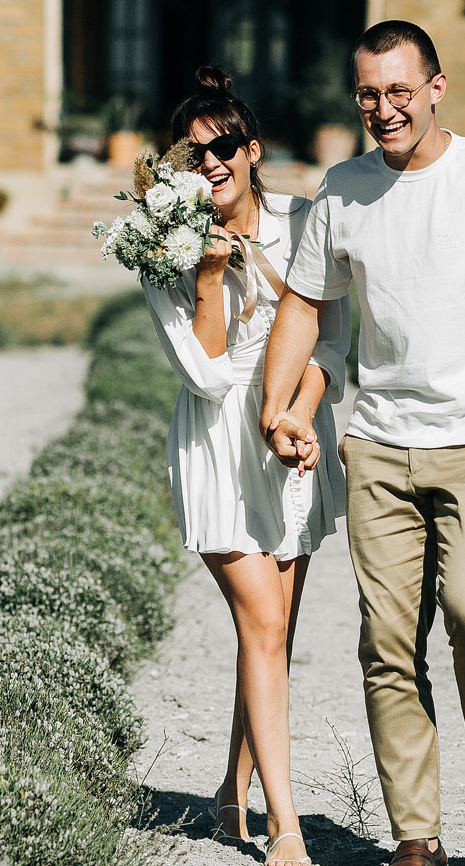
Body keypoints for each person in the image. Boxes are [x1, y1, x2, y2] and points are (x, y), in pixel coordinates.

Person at [261, 21, 465, 866]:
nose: (384, 108)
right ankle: (414, 834)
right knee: (388, 643)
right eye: (368, 93)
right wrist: (275, 406)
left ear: (436, 87)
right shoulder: (343, 189)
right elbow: (306, 305)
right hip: (381, 447)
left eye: (400, 90)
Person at [142, 65, 352, 866]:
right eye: (193, 155)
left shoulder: (304, 221)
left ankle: (230, 792)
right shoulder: (160, 247)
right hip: (217, 453)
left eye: (224, 146)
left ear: (252, 148)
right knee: (264, 624)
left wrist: (298, 409)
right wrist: (203, 276)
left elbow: (334, 339)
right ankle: (286, 826)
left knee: (271, 635)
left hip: (289, 434)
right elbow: (205, 375)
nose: (212, 163)